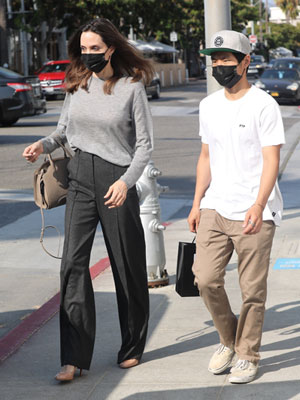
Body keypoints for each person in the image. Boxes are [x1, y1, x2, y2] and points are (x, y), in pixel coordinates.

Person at [23, 18, 154, 381]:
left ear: (111, 48)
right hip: (79, 177)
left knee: (126, 266)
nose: (89, 54)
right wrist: (42, 145)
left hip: (116, 181)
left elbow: (144, 146)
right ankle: (73, 358)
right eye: (84, 48)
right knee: (72, 266)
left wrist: (127, 182)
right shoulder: (77, 85)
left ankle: (132, 345)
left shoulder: (131, 87)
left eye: (95, 48)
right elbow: (63, 132)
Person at [188, 30, 285, 384]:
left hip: (253, 208)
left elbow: (271, 159)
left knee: (252, 290)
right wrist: (197, 202)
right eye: (215, 59)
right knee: (205, 279)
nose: (219, 66)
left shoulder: (263, 104)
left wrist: (260, 204)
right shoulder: (208, 105)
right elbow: (205, 157)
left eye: (227, 59)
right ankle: (229, 340)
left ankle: (247, 354)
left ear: (245, 61)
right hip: (215, 206)